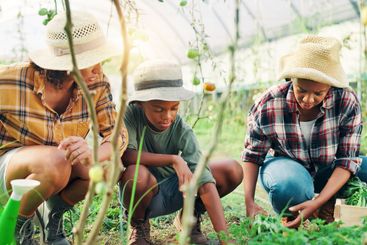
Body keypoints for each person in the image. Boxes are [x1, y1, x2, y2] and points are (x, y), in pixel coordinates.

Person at [0, 11, 127, 245]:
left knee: (109, 168)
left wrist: (95, 154)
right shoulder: (9, 80)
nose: (99, 69)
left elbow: (116, 133)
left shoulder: (97, 83)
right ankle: (17, 228)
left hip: (60, 166)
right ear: (66, 64)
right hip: (11, 168)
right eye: (92, 61)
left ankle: (53, 219)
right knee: (56, 160)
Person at [242, 35, 367, 228]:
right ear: (292, 78)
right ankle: (299, 209)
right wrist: (249, 202)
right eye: (301, 89)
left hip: (329, 168)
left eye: (318, 93)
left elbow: (346, 160)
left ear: (330, 86)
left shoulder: (346, 101)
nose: (308, 99)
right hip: (286, 167)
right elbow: (252, 155)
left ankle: (325, 205)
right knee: (289, 187)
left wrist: (319, 200)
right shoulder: (270, 102)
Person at [119, 60, 243, 244]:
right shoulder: (130, 115)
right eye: (159, 109)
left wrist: (225, 239)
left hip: (177, 192)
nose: (167, 116)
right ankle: (138, 226)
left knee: (230, 170)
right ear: (140, 103)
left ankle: (189, 219)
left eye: (174, 108)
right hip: (141, 195)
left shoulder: (182, 130)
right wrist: (173, 159)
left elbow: (206, 182)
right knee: (135, 174)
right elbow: (127, 156)